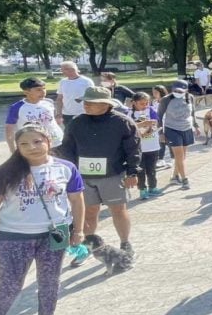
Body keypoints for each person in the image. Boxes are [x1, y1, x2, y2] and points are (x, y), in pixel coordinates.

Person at [0, 125, 85, 315]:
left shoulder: (66, 168)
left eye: (37, 142)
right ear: (17, 147)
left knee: (50, 281)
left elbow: (77, 201)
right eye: (24, 144)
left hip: (55, 234)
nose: (32, 148)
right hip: (14, 237)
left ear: (48, 140)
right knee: (9, 286)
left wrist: (78, 231)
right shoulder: (4, 173)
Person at [55, 86, 140, 258]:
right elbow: (67, 148)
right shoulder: (77, 122)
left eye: (91, 103)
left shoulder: (123, 122)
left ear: (105, 104)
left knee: (118, 209)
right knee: (89, 212)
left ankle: (125, 242)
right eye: (85, 102)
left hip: (113, 175)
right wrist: (70, 172)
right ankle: (88, 245)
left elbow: (134, 149)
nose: (86, 105)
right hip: (83, 177)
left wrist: (132, 172)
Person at [158, 80, 200, 190]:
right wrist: (161, 133)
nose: (178, 92)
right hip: (172, 128)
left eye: (181, 91)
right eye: (176, 90)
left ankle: (175, 176)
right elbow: (159, 116)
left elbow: (193, 112)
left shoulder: (189, 97)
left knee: (182, 156)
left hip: (186, 127)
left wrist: (195, 125)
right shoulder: (166, 100)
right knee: (179, 156)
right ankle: (185, 179)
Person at [5, 77, 63, 152]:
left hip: (57, 142)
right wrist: (12, 149)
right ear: (26, 92)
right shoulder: (17, 107)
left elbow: (52, 121)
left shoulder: (49, 102)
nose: (43, 92)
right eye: (38, 90)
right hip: (35, 145)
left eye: (44, 88)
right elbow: (9, 129)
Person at [127, 92, 164, 200]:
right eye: (142, 103)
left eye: (146, 103)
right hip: (138, 147)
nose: (145, 105)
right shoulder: (128, 113)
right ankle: (142, 189)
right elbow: (128, 126)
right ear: (134, 103)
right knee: (140, 170)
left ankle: (153, 187)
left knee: (151, 169)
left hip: (152, 145)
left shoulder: (150, 110)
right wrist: (141, 125)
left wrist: (150, 126)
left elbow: (156, 122)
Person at [55, 61, 94, 127]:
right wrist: (59, 113)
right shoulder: (62, 82)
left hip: (83, 114)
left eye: (63, 69)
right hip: (67, 115)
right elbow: (59, 99)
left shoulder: (86, 81)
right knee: (69, 135)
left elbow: (92, 97)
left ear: (71, 69)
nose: (61, 72)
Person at [150, 85, 171, 170]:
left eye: (156, 92)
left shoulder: (166, 101)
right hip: (157, 124)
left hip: (166, 123)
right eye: (153, 92)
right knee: (160, 141)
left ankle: (172, 159)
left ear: (161, 92)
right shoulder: (154, 102)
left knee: (169, 141)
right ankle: (161, 159)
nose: (154, 94)